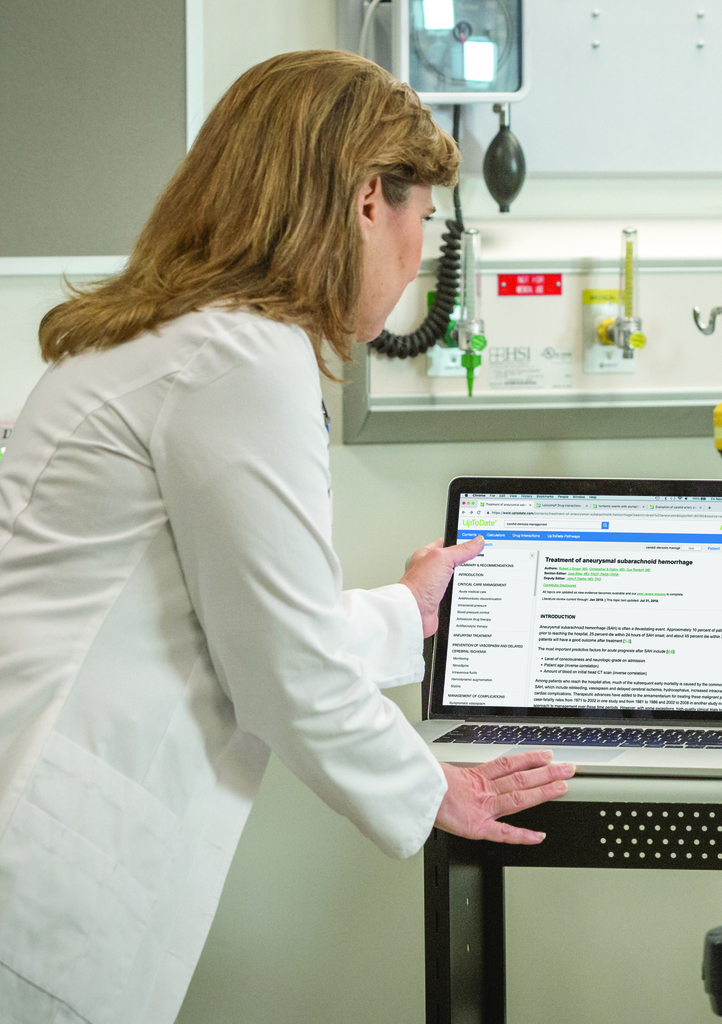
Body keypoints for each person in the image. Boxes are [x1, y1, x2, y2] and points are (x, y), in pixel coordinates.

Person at [0, 51, 574, 1024]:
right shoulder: (241, 359)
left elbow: (240, 621)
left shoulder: (177, 338)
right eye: (423, 219)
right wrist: (440, 788)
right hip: (43, 866)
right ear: (364, 203)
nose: (417, 255)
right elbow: (282, 667)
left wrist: (405, 612)